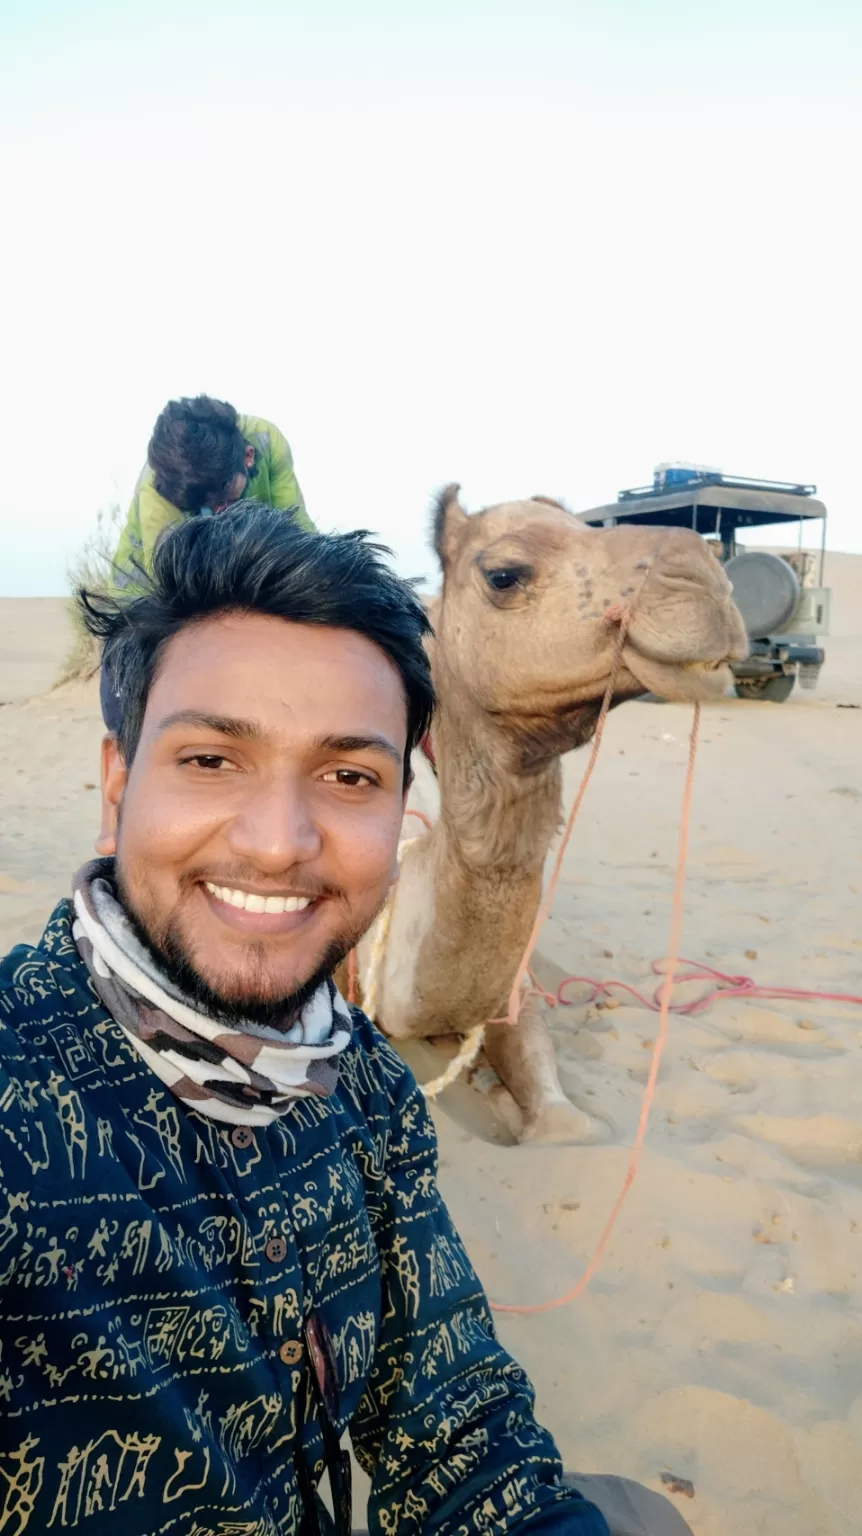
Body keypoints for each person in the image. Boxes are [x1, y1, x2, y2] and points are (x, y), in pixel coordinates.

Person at [0, 504, 692, 1536]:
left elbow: (460, 1431)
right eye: (209, 760)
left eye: (347, 776)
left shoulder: (361, 1080)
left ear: (398, 802)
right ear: (118, 784)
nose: (279, 843)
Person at [101, 394, 314, 732]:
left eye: (223, 499)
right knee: (133, 728)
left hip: (236, 595)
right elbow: (172, 587)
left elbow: (299, 538)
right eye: (200, 504)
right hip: (142, 610)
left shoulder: (266, 442)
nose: (215, 512)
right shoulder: (163, 482)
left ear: (247, 457)